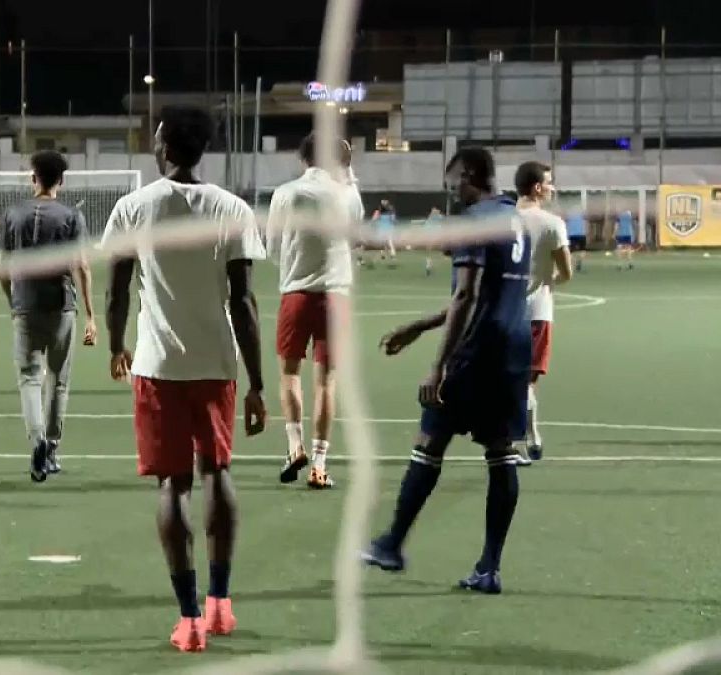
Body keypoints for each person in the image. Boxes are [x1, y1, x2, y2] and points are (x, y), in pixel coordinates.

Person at [102, 104, 267, 652]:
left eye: (156, 135)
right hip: (217, 365)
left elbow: (116, 289)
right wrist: (259, 383)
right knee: (218, 472)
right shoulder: (231, 208)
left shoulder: (133, 208)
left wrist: (116, 344)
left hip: (158, 366)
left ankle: (189, 618)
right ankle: (221, 603)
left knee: (172, 485)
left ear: (166, 145)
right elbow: (244, 301)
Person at [362, 146, 529, 595]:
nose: (451, 188)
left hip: (475, 353)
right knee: (500, 452)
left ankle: (392, 544)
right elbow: (484, 294)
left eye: (454, 179)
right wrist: (420, 325)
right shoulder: (514, 219)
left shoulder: (474, 221)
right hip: (513, 349)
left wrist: (437, 365)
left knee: (430, 439)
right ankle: (489, 568)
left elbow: (467, 297)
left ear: (470, 175)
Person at [266, 133, 360, 490]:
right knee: (326, 381)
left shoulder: (286, 193)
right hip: (335, 295)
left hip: (296, 293)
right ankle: (319, 464)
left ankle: (294, 447)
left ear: (302, 159)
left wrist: (292, 265)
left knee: (289, 373)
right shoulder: (347, 194)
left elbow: (272, 244)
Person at [0, 150, 98, 482]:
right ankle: (51, 448)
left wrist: (12, 301)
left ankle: (37, 438)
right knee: (58, 380)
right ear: (61, 180)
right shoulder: (71, 216)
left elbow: (3, 269)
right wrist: (90, 316)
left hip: (25, 304)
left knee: (29, 377)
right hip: (61, 305)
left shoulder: (13, 214)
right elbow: (82, 266)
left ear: (33, 177)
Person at [515, 161, 573, 464]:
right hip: (537, 311)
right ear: (537, 187)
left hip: (503, 311)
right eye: (549, 182)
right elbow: (567, 272)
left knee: (508, 380)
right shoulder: (552, 223)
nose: (552, 187)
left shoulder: (502, 219)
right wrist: (547, 283)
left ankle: (522, 440)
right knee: (526, 382)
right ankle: (528, 438)